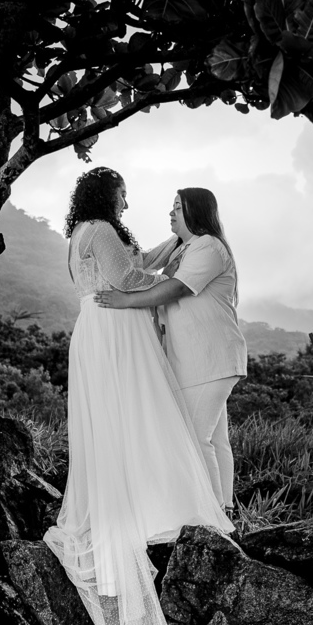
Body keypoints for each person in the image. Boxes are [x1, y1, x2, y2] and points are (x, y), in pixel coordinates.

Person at [44, 168, 233, 625]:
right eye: (123, 194)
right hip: (115, 329)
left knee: (115, 424)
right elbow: (126, 279)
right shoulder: (101, 231)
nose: (128, 202)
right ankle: (181, 509)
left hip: (97, 329)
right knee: (141, 416)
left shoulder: (82, 233)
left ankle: (151, 503)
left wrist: (168, 248)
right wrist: (161, 276)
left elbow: (131, 264)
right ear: (108, 195)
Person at [95, 187, 246, 513]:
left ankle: (211, 518)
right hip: (198, 359)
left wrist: (126, 301)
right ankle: (225, 510)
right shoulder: (183, 246)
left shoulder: (208, 246)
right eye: (172, 207)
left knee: (194, 438)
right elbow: (147, 262)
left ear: (195, 211)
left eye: (178, 207)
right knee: (216, 439)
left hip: (213, 356)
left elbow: (176, 288)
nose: (171, 212)